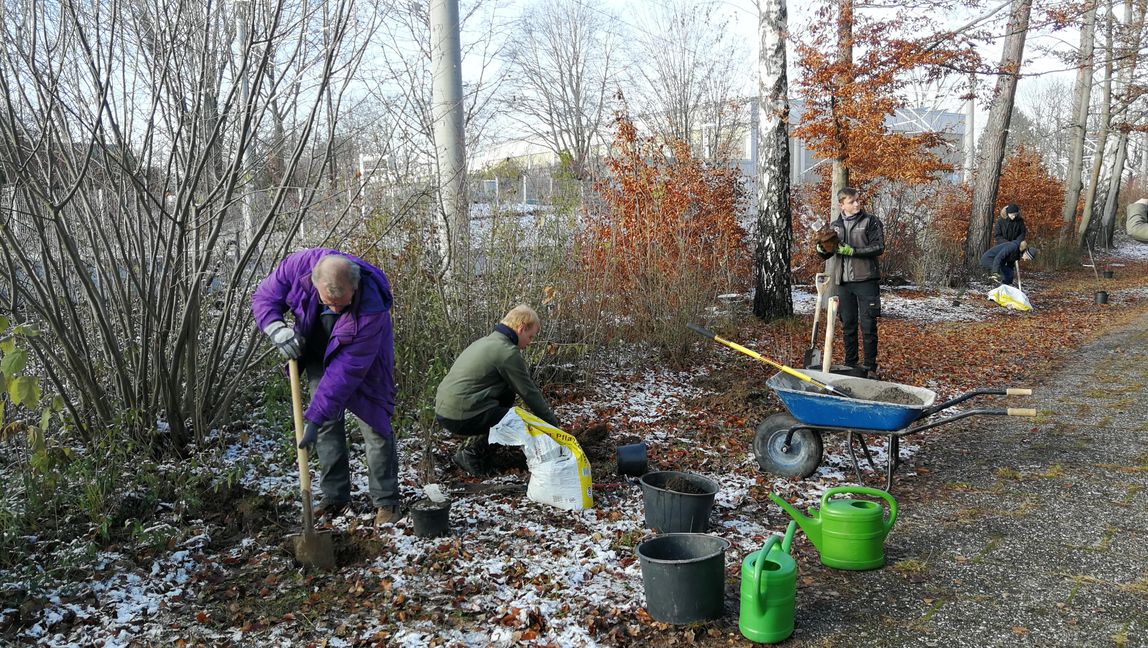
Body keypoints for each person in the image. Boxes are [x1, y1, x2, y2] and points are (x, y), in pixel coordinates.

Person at [251, 249, 402, 527]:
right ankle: (335, 497)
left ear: (354, 287)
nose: (334, 308)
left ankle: (386, 501)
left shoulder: (372, 303)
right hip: (318, 352)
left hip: (365, 363)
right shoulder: (297, 267)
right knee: (327, 426)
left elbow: (346, 371)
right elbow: (264, 297)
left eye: (342, 304)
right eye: (327, 302)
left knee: (375, 425)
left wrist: (315, 414)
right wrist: (276, 328)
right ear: (313, 282)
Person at [435, 304, 560, 477]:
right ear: (521, 328)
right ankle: (472, 454)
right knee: (517, 420)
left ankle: (480, 449)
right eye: (530, 337)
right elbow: (529, 393)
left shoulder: (485, 342)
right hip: (460, 416)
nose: (529, 343)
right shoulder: (507, 352)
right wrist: (553, 427)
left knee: (507, 395)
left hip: (444, 411)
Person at [815, 187, 885, 379]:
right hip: (842, 282)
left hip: (866, 280)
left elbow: (879, 247)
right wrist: (821, 248)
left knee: (869, 325)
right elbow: (827, 253)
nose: (856, 204)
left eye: (857, 200)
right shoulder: (834, 226)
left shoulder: (870, 221)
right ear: (842, 205)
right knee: (848, 325)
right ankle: (850, 364)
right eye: (852, 201)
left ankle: (870, 367)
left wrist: (852, 251)